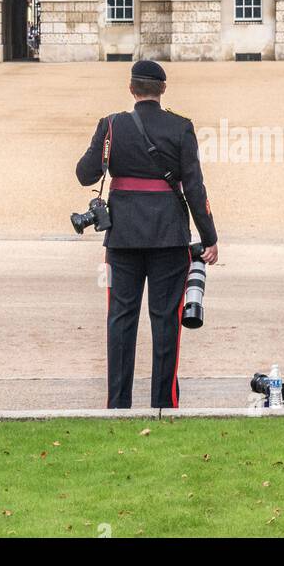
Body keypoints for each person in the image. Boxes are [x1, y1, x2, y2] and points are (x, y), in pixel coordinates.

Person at [74, 60, 218, 409]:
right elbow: (195, 188)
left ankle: (118, 403)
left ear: (131, 89)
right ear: (162, 90)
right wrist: (209, 236)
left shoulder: (111, 126)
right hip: (168, 235)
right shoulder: (181, 127)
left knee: (121, 320)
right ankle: (164, 403)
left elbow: (84, 175)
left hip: (123, 236)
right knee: (166, 319)